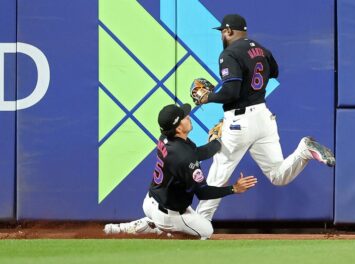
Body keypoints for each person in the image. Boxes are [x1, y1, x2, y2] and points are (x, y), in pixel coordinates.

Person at [195, 14, 336, 221]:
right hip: (263, 116)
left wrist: (208, 98)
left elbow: (231, 92)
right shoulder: (261, 49)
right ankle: (304, 150)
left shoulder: (229, 54)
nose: (222, 36)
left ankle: (199, 227)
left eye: (223, 32)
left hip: (239, 122)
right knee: (278, 175)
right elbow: (274, 72)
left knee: (218, 176)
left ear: (229, 31)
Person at [104, 103, 257, 239]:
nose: (188, 117)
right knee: (206, 231)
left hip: (152, 201)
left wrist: (215, 142)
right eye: (184, 117)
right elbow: (203, 193)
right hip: (169, 214)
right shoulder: (183, 156)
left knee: (185, 214)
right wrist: (234, 188)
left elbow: (196, 153)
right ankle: (162, 230)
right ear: (178, 128)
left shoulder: (166, 137)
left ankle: (140, 225)